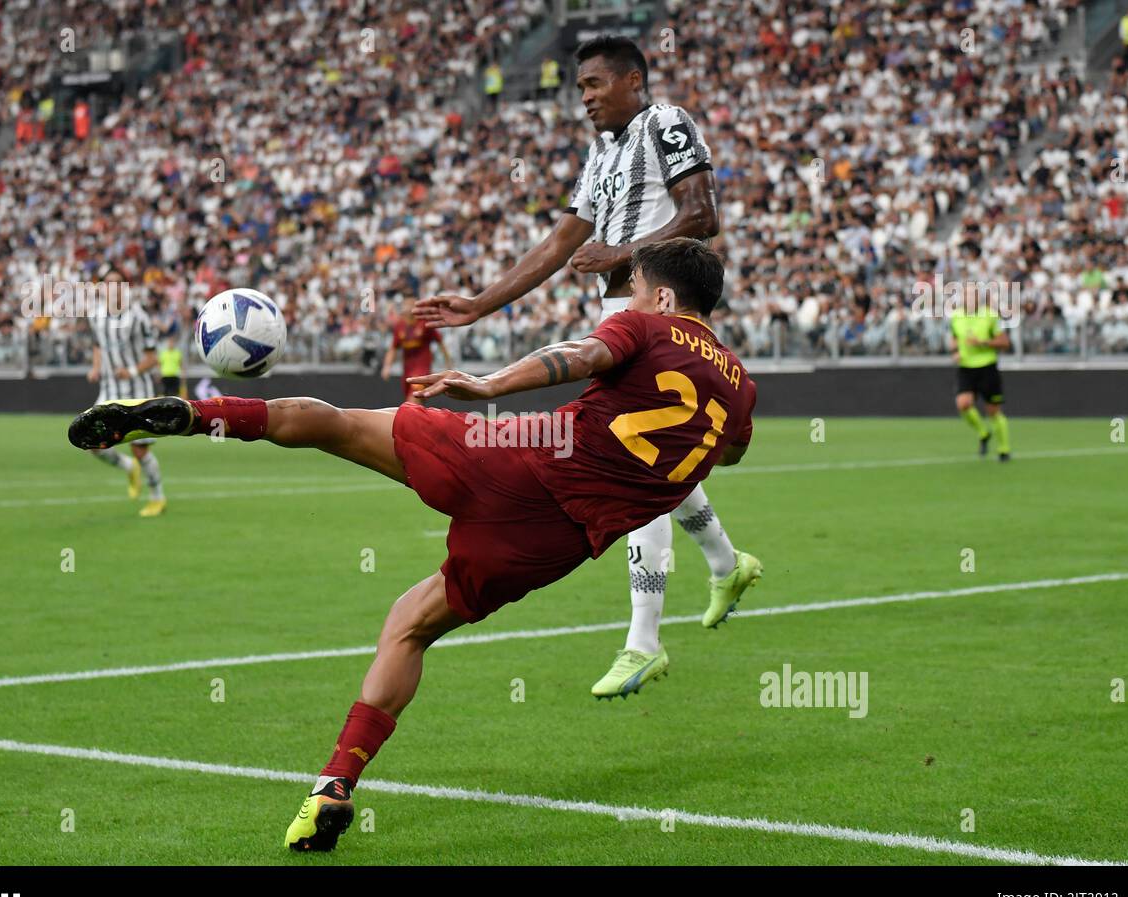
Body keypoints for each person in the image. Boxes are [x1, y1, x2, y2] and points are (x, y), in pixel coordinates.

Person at [67, 238, 757, 853]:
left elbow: (579, 356)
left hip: (514, 457)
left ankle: (194, 414)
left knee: (334, 425)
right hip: (555, 544)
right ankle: (331, 786)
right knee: (410, 626)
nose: (627, 296)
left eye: (632, 285)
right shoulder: (740, 388)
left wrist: (490, 384)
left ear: (663, 295)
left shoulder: (644, 323)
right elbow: (728, 456)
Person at [414, 35, 760, 700]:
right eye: (579, 88)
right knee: (650, 457)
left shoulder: (666, 122)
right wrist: (479, 304)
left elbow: (701, 215)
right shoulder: (599, 152)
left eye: (596, 84)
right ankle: (726, 563)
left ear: (635, 80)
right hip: (622, 312)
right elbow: (562, 240)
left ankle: (643, 642)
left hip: (663, 311)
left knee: (631, 466)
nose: (586, 98)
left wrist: (624, 252)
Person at [83, 264, 168, 516]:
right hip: (109, 389)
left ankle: (157, 497)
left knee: (139, 448)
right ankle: (129, 467)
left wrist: (130, 371)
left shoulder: (138, 317)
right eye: (107, 283)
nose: (112, 288)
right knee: (92, 443)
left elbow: (153, 358)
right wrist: (95, 368)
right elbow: (98, 345)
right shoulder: (95, 316)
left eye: (117, 283)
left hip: (136, 390)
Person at [949, 285, 1012, 461]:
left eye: (972, 295)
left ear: (979, 298)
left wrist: (983, 342)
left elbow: (1005, 343)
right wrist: (955, 351)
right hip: (966, 367)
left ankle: (1004, 449)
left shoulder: (990, 315)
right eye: (966, 295)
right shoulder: (956, 316)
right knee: (963, 404)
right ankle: (983, 433)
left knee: (993, 411)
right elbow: (954, 338)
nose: (969, 298)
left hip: (987, 367)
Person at [380, 311, 451, 405]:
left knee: (411, 402)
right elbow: (393, 348)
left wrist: (448, 362)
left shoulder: (425, 323)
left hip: (421, 370)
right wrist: (387, 366)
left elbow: (439, 341)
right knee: (417, 405)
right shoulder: (400, 325)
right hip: (407, 371)